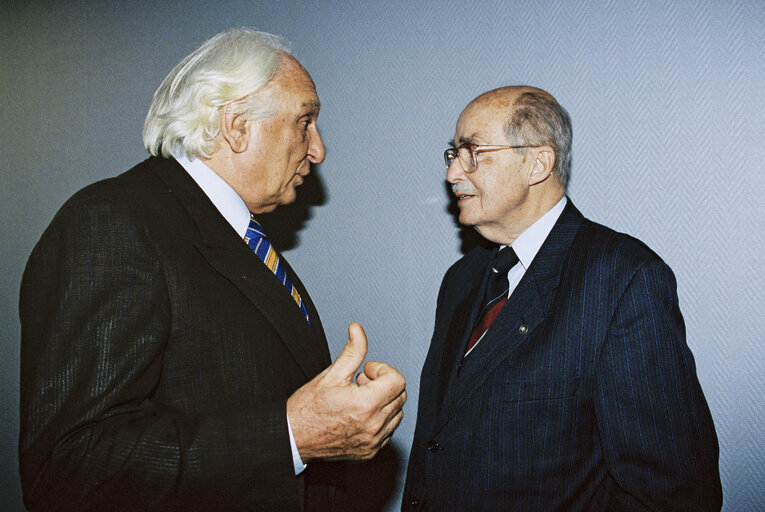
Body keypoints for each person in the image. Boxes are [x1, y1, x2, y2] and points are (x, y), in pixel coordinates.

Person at [19, 28, 406, 512]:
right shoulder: (113, 221)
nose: (318, 149)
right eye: (305, 122)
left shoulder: (246, 242)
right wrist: (292, 435)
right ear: (237, 125)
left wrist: (334, 422)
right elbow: (69, 467)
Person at [403, 86, 721, 511]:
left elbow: (674, 492)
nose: (453, 174)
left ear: (538, 163)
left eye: (472, 152)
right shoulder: (463, 278)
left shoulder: (622, 277)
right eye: (452, 154)